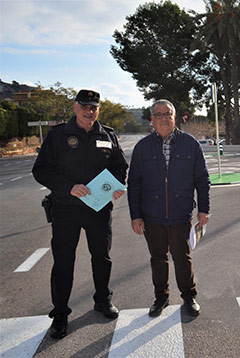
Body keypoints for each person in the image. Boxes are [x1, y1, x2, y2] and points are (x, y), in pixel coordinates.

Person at [32, 90, 128, 339]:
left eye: (94, 107)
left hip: (98, 209)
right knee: (63, 262)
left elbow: (119, 167)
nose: (89, 111)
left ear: (98, 110)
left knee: (101, 257)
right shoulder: (58, 135)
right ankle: (61, 313)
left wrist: (117, 186)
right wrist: (68, 187)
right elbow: (41, 170)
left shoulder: (107, 135)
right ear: (75, 107)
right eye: (84, 106)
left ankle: (102, 300)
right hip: (66, 209)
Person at [127, 99, 210, 317]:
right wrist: (135, 216)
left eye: (168, 114)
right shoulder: (142, 147)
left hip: (180, 214)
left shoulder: (190, 144)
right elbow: (134, 183)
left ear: (174, 116)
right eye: (158, 114)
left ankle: (189, 297)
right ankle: (160, 297)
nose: (164, 118)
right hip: (151, 215)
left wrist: (204, 209)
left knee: (182, 257)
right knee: (158, 258)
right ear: (151, 120)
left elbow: (202, 179)